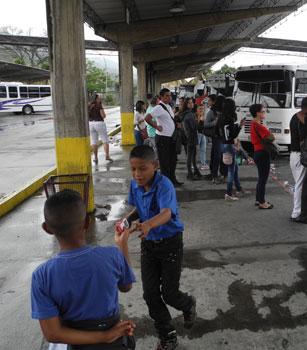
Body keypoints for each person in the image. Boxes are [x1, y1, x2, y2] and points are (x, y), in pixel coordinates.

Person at [31, 189, 136, 349]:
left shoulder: (42, 275)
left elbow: (52, 334)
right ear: (87, 222)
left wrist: (103, 336)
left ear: (47, 229)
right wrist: (122, 246)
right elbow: (126, 287)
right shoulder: (113, 255)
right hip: (115, 342)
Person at [123, 145, 196, 350]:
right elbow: (138, 207)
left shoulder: (165, 185)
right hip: (149, 245)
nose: (137, 174)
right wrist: (128, 220)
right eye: (133, 169)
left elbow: (166, 213)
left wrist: (148, 224)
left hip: (170, 243)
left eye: (142, 169)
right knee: (150, 294)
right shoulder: (135, 184)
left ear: (154, 166)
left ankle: (188, 304)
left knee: (170, 294)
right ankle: (167, 334)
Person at [145, 88, 183, 187]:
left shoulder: (168, 107)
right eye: (167, 95)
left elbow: (169, 119)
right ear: (161, 97)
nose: (169, 97)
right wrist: (156, 126)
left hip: (171, 138)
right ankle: (166, 183)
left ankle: (172, 179)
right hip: (163, 138)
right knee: (165, 162)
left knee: (172, 160)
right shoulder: (158, 107)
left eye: (170, 95)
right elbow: (147, 118)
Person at [289, 97, 307, 221]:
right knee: (301, 185)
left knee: (300, 184)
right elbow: (303, 140)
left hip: (294, 156)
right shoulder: (304, 120)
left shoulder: (294, 117)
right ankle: (296, 213)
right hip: (301, 156)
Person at [218, 98, 248, 200]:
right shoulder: (229, 119)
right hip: (229, 145)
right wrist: (240, 126)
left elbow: (221, 131)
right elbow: (233, 134)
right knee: (231, 170)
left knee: (234, 168)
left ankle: (239, 189)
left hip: (223, 144)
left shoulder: (221, 117)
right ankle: (229, 193)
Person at [249, 104, 275, 209]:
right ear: (257, 113)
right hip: (263, 153)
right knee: (263, 179)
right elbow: (272, 137)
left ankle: (258, 199)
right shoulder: (259, 126)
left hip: (257, 152)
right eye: (263, 111)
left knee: (261, 178)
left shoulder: (252, 124)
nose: (264, 113)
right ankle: (262, 202)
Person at [88, 93, 113, 164]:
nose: (99, 99)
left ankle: (95, 158)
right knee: (105, 140)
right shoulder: (99, 106)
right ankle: (107, 155)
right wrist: (104, 115)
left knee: (94, 141)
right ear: (95, 99)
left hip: (90, 123)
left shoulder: (88, 106)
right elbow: (103, 115)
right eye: (98, 98)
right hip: (99, 123)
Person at [181, 98, 202, 180]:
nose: (191, 104)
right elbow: (195, 127)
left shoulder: (186, 113)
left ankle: (195, 171)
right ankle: (190, 173)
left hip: (187, 136)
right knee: (190, 156)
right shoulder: (190, 114)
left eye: (192, 103)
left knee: (192, 155)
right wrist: (199, 119)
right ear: (186, 104)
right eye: (189, 103)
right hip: (191, 137)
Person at [205, 95, 224, 185]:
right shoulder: (211, 112)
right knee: (217, 156)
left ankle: (215, 173)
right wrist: (216, 121)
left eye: (209, 100)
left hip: (221, 137)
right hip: (216, 137)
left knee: (215, 155)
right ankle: (214, 176)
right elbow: (206, 124)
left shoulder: (222, 112)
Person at [195, 104, 209, 170]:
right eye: (200, 108)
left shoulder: (203, 116)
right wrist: (199, 117)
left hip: (203, 134)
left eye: (202, 108)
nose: (201, 110)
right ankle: (193, 163)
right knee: (195, 150)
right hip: (197, 134)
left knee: (203, 150)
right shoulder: (195, 115)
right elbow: (196, 125)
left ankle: (203, 163)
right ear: (197, 109)